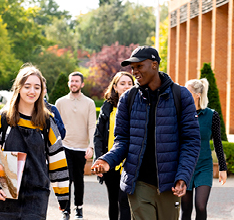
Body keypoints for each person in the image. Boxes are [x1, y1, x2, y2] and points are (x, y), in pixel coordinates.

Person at [91, 46, 201, 220]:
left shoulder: (181, 96)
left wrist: (183, 176)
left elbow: (191, 141)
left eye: (139, 66)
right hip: (138, 183)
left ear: (154, 65)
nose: (134, 71)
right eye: (132, 68)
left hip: (169, 184)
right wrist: (108, 160)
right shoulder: (128, 99)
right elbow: (123, 141)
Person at [0, 64, 69, 220]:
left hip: (37, 196)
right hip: (6, 194)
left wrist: (63, 196)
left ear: (42, 91)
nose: (32, 91)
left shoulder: (47, 122)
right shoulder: (2, 118)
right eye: (27, 86)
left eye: (37, 87)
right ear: (18, 87)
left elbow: (57, 160)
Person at [182, 78, 227, 220]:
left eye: (187, 92)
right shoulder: (180, 114)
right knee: (186, 209)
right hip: (185, 167)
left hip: (204, 166)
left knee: (201, 206)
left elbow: (218, 143)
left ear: (197, 94)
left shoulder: (212, 115)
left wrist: (222, 168)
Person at [55, 71, 96, 220]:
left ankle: (79, 208)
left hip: (81, 148)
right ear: (68, 83)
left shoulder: (89, 103)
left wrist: (91, 146)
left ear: (82, 84)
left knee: (78, 179)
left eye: (77, 81)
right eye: (71, 81)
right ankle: (65, 210)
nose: (74, 83)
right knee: (66, 179)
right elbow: (55, 126)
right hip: (64, 146)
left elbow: (92, 126)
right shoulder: (60, 102)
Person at [94, 72, 134, 220]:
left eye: (129, 83)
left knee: (124, 200)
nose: (126, 86)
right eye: (122, 83)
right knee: (113, 200)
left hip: (129, 163)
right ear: (115, 87)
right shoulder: (107, 107)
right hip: (110, 162)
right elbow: (98, 136)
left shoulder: (138, 105)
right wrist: (99, 160)